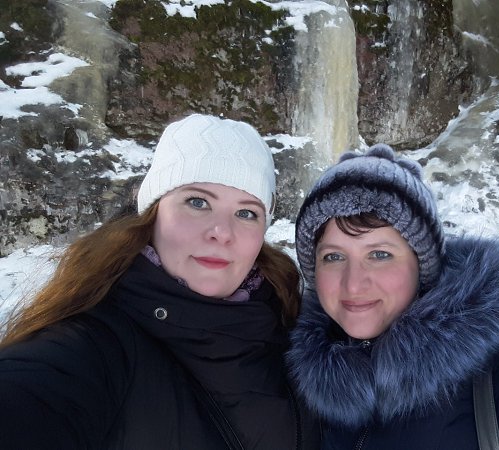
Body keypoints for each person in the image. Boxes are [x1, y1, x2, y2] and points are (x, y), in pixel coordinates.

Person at [0, 114, 320, 449]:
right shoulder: (96, 343)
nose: (222, 232)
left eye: (246, 213)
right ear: (153, 214)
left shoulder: (293, 329)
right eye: (197, 202)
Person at [286, 143, 499, 449]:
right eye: (333, 257)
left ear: (422, 265)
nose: (353, 284)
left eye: (380, 254)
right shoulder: (304, 389)